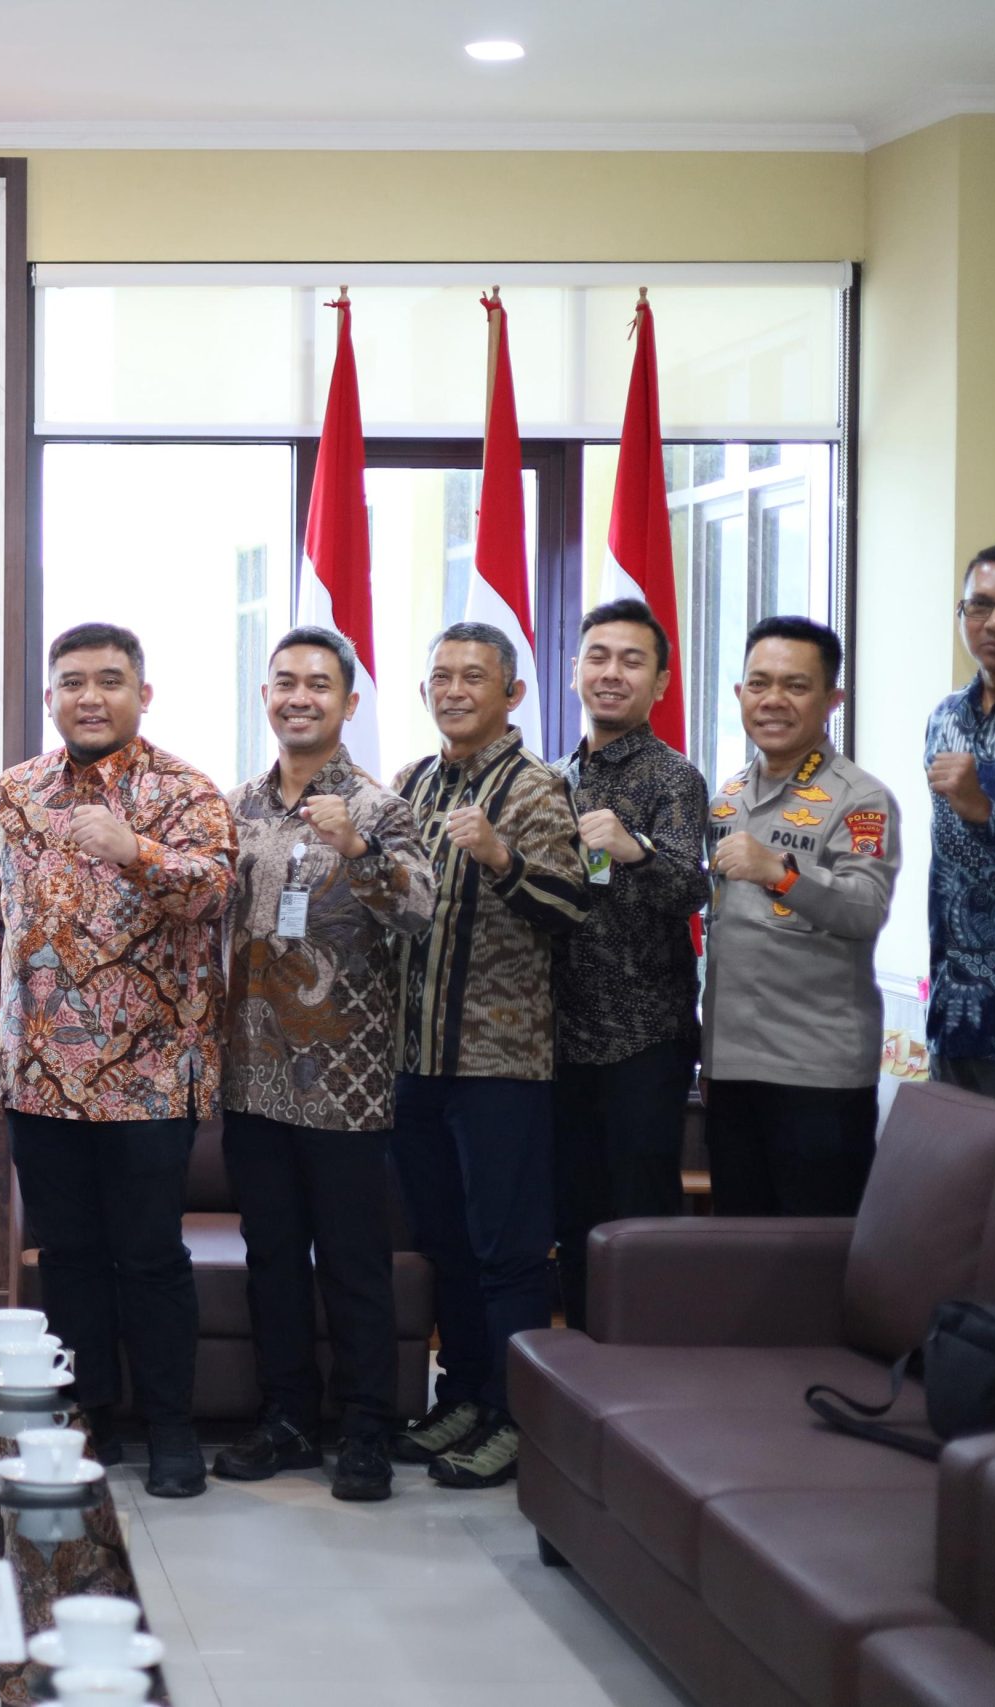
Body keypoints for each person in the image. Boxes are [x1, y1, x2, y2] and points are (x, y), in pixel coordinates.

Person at [0, 622, 234, 1499]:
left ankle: (170, 1430)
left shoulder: (184, 790)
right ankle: (90, 1418)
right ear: (50, 697)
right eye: (73, 681)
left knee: (149, 1256)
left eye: (110, 680)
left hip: (150, 1074)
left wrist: (134, 850)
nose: (91, 696)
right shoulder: (18, 791)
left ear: (142, 694)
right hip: (40, 1072)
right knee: (68, 1256)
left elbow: (215, 891)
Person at [214, 627, 434, 1503]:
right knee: (271, 1257)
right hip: (251, 1074)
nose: (299, 696)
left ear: (348, 702)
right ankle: (288, 1419)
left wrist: (359, 852)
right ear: (265, 695)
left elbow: (420, 912)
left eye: (318, 683)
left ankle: (368, 1427)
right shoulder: (235, 806)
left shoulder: (380, 807)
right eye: (284, 681)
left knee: (353, 1262)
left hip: (346, 1081)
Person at [389, 621, 592, 1489]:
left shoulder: (538, 787)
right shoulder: (411, 781)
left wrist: (502, 857)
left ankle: (515, 1418)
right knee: (446, 1243)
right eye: (441, 676)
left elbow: (572, 907)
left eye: (474, 676)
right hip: (415, 1057)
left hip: (500, 1062)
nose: (454, 689)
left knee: (508, 1251)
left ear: (512, 693)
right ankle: (465, 1395)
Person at [549, 600, 709, 1332]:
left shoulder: (672, 776)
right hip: (559, 1037)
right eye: (598, 656)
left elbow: (690, 891)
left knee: (639, 1221)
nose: (611, 673)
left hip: (642, 1038)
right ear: (575, 670)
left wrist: (633, 848)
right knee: (572, 1215)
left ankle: (645, 1369)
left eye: (632, 660)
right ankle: (580, 1367)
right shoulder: (551, 776)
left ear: (661, 682)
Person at [705, 616, 899, 1214]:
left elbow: (865, 908)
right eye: (759, 683)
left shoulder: (860, 798)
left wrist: (781, 873)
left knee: (815, 1252)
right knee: (741, 1245)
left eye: (795, 686)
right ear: (739, 693)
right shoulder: (727, 796)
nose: (773, 700)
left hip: (817, 1074)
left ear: (832, 700)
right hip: (731, 1067)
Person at [923, 542, 995, 1102]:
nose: (994, 622)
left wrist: (983, 812)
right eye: (979, 605)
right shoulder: (946, 717)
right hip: (954, 1012)